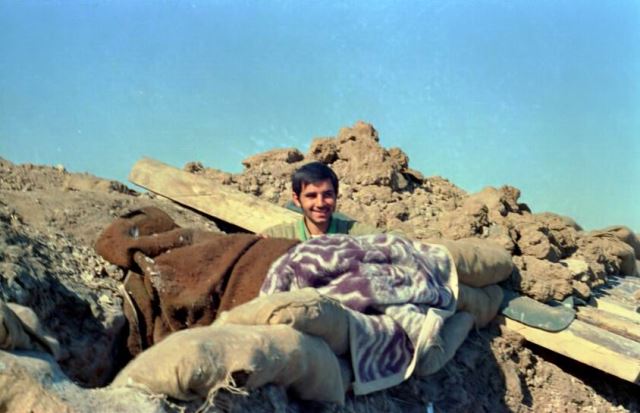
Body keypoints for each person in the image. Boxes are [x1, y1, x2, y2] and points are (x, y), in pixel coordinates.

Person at [262, 162, 382, 240]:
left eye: (327, 195)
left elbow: (391, 238)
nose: (320, 203)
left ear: (336, 195)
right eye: (311, 196)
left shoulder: (351, 232)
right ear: (297, 199)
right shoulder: (280, 236)